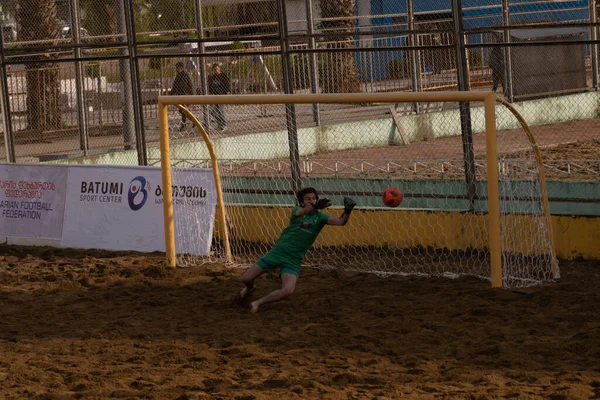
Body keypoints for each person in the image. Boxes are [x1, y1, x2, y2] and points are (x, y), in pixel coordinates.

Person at [236, 188, 357, 313]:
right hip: (278, 252)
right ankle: (249, 288)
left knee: (288, 290)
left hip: (293, 259)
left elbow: (341, 221)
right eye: (308, 199)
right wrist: (314, 206)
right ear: (302, 202)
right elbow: (302, 212)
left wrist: (348, 210)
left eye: (314, 198)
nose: (311, 201)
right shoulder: (297, 211)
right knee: (246, 278)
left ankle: (257, 303)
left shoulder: (321, 217)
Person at [171, 61, 194, 131]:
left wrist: (192, 95)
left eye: (178, 68)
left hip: (185, 95)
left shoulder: (186, 74)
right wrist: (171, 94)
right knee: (182, 111)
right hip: (179, 95)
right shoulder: (178, 76)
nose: (177, 69)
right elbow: (175, 86)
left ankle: (184, 125)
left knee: (183, 111)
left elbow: (190, 85)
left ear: (181, 68)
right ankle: (193, 121)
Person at [207, 63, 230, 131]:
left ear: (219, 68)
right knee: (213, 111)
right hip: (214, 96)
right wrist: (210, 76)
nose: (216, 70)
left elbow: (227, 85)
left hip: (221, 95)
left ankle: (224, 124)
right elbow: (210, 87)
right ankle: (220, 124)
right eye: (214, 69)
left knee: (220, 110)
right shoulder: (212, 77)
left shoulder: (223, 75)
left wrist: (227, 93)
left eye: (217, 69)